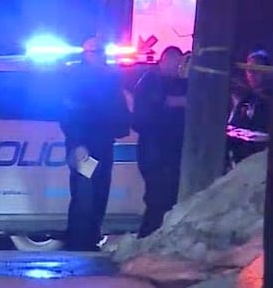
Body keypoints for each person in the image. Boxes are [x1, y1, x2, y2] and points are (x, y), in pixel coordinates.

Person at [59, 36, 131, 251]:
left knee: (99, 193)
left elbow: (118, 109)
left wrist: (121, 126)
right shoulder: (76, 78)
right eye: (96, 52)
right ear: (87, 53)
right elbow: (70, 114)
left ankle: (89, 239)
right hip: (84, 147)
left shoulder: (109, 77)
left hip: (102, 144)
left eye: (102, 52)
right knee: (85, 195)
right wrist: (78, 143)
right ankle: (79, 243)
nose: (100, 56)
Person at [131, 46, 188, 238]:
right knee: (157, 199)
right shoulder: (150, 81)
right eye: (175, 62)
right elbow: (149, 111)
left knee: (167, 199)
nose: (178, 67)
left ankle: (156, 240)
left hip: (169, 153)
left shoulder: (178, 82)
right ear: (164, 60)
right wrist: (180, 101)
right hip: (155, 151)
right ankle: (148, 239)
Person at [227, 49, 273, 166]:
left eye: (257, 70)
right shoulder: (245, 98)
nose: (252, 74)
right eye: (249, 70)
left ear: (267, 72)